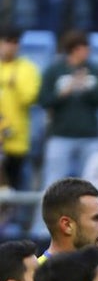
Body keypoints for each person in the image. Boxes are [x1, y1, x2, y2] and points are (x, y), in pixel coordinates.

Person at [37, 31, 98, 186]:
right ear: (73, 49)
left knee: (91, 183)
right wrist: (63, 93)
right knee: (53, 181)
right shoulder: (55, 71)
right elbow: (43, 101)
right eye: (83, 48)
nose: (87, 51)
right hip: (60, 135)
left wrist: (88, 89)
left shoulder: (95, 71)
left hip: (90, 136)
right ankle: (49, 211)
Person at [0, 28, 43, 190]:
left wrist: (14, 83)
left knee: (11, 189)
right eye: (7, 41)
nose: (11, 46)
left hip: (16, 139)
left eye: (15, 42)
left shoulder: (27, 69)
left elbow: (30, 98)